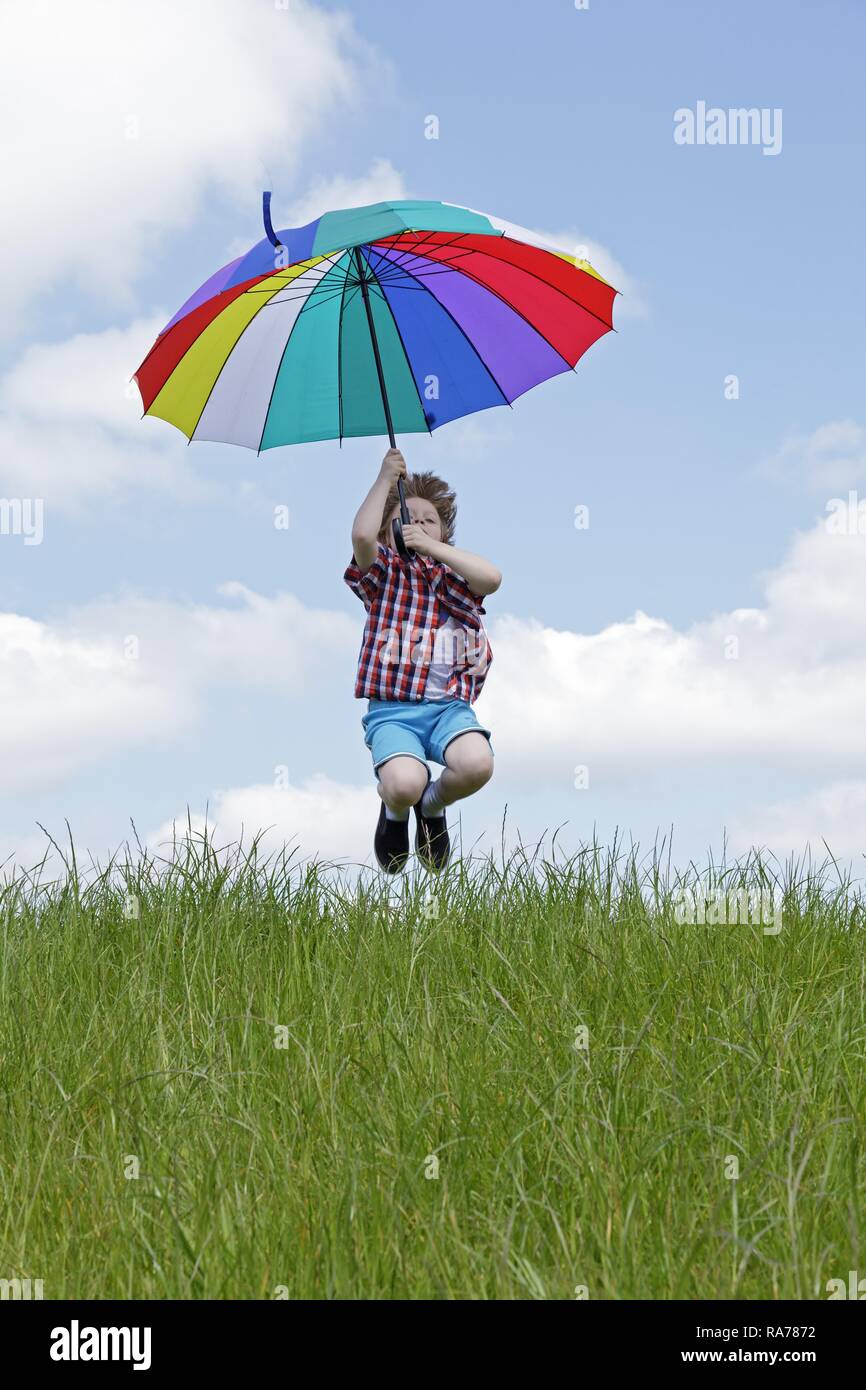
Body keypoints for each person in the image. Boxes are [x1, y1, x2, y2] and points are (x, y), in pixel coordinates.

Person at [344, 447, 501, 873]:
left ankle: (432, 807)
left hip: (449, 709)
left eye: (428, 520)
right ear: (388, 529)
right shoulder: (385, 574)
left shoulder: (453, 577)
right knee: (403, 784)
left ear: (444, 534)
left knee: (477, 764)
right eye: (406, 517)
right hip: (394, 712)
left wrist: (434, 548)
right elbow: (361, 539)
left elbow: (492, 577)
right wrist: (383, 479)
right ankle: (396, 812)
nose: (417, 524)